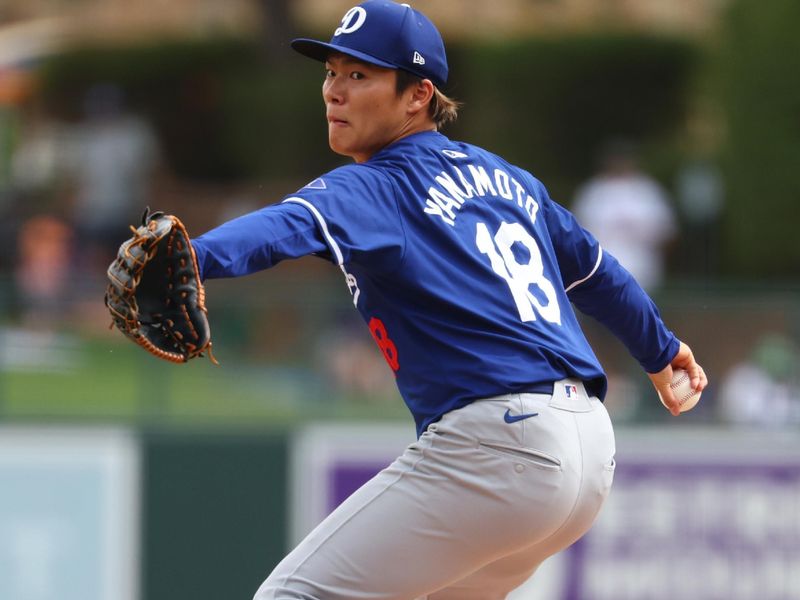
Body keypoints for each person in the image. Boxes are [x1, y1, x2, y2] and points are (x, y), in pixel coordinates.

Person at [188, 2, 707, 598]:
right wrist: (661, 353)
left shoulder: (379, 183)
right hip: (588, 452)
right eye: (331, 72)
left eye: (360, 75)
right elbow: (596, 273)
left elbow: (284, 227)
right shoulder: (511, 181)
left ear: (418, 95)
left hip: (499, 446)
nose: (334, 91)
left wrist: (194, 258)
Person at [572, 139, 677, 292]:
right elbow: (575, 236)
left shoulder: (648, 191)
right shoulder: (592, 192)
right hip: (597, 277)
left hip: (642, 276)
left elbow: (667, 234)